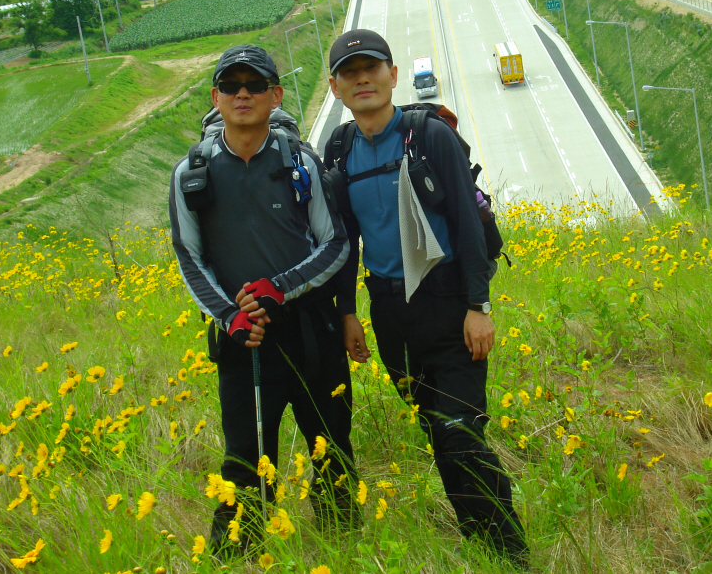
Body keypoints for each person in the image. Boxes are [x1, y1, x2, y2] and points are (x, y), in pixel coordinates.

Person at [324, 29, 529, 566]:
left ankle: (511, 553)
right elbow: (345, 239)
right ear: (335, 87)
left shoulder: (428, 135)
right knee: (438, 435)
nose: (363, 79)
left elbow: (465, 221)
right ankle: (481, 545)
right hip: (391, 314)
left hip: (449, 303)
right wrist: (349, 313)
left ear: (393, 74)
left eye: (372, 68)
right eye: (350, 72)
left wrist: (478, 307)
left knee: (461, 432)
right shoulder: (340, 151)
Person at [169, 44, 357, 559]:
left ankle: (344, 552)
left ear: (276, 95)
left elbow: (335, 243)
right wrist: (229, 316)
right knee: (245, 461)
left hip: (312, 335)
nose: (243, 94)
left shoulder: (300, 162)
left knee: (333, 450)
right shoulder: (191, 173)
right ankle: (237, 559)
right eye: (231, 86)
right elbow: (189, 257)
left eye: (255, 85)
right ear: (216, 96)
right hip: (242, 342)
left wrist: (279, 288)